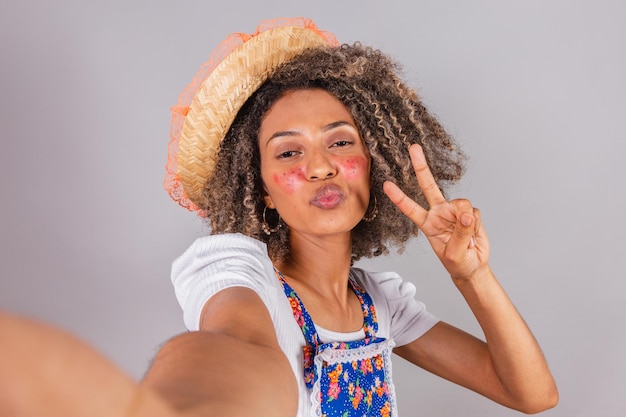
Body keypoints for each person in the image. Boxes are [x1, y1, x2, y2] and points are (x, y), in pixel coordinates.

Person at [0, 17, 557, 417]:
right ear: (260, 189)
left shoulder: (379, 303)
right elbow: (237, 345)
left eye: (340, 142)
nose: (320, 167)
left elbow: (531, 395)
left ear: (372, 165)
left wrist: (472, 275)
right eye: (288, 152)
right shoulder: (240, 273)